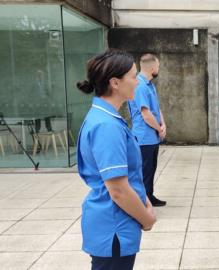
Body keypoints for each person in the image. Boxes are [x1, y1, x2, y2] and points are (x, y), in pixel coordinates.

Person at [76, 49, 157, 270]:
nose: (137, 82)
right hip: (114, 226)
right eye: (133, 76)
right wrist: (147, 219)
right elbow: (118, 190)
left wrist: (145, 200)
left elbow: (127, 177)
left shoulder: (105, 118)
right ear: (115, 83)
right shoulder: (107, 126)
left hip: (113, 224)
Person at [128, 54, 167, 207]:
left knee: (151, 169)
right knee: (144, 171)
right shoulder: (140, 86)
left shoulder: (150, 85)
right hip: (144, 137)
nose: (158, 69)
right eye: (157, 66)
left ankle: (149, 196)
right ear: (152, 68)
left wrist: (163, 124)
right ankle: (142, 203)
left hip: (153, 136)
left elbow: (156, 108)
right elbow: (146, 114)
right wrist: (159, 129)